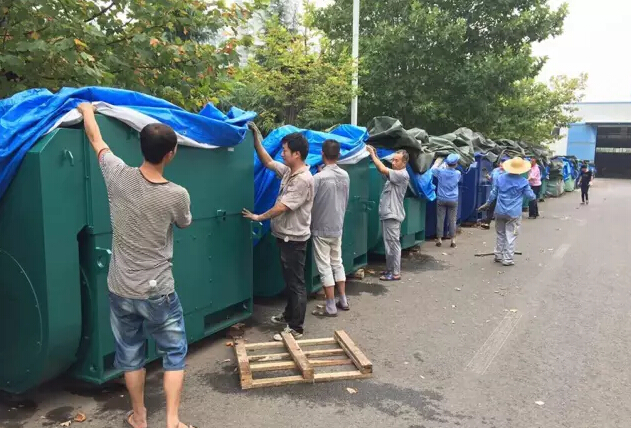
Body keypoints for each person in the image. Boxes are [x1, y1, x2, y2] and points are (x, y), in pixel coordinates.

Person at [76, 104, 193, 428]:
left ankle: (139, 417)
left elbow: (97, 140)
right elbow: (184, 223)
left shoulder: (116, 175)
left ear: (141, 147)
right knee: (173, 353)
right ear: (170, 154)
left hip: (120, 287)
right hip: (158, 291)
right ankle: (172, 421)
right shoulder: (177, 195)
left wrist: (87, 111)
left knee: (129, 355)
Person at [242, 124, 314, 340]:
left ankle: (296, 328)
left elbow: (282, 207)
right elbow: (267, 162)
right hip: (284, 236)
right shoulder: (290, 172)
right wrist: (256, 139)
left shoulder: (302, 179)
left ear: (297, 154)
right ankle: (288, 315)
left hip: (294, 239)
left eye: (285, 151)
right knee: (290, 281)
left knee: (296, 283)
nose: (281, 154)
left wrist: (258, 217)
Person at [310, 139, 350, 317]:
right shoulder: (345, 176)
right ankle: (343, 299)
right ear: (339, 155)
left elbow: (310, 200)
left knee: (325, 266)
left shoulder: (317, 178)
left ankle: (330, 305)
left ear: (322, 155)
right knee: (337, 262)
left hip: (320, 227)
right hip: (337, 225)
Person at [479, 157, 535, 267]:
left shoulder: (500, 178)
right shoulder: (523, 182)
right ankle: (508, 259)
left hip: (499, 210)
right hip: (513, 213)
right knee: (511, 235)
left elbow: (493, 193)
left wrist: (487, 204)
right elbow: (530, 196)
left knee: (500, 234)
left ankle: (498, 255)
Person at [365, 146, 410, 281]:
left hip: (392, 214)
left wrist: (372, 154)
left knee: (393, 244)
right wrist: (377, 156)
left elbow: (382, 169)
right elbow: (384, 172)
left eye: (397, 161)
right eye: (393, 160)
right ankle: (390, 269)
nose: (393, 162)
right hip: (388, 214)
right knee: (389, 244)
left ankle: (395, 272)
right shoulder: (395, 175)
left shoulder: (402, 175)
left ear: (404, 163)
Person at [432, 153, 462, 248]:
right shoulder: (458, 173)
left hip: (441, 198)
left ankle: (439, 239)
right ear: (456, 164)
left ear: (447, 163)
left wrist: (439, 161)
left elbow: (433, 170)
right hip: (453, 199)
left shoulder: (441, 172)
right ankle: (453, 240)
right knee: (452, 220)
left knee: (440, 219)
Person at [481, 156, 508, 230]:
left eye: (504, 163)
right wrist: (488, 177)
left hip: (504, 194)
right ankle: (487, 223)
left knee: (503, 209)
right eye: (501, 162)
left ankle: (505, 224)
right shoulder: (495, 170)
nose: (501, 164)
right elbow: (491, 179)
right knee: (490, 208)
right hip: (494, 193)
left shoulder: (508, 173)